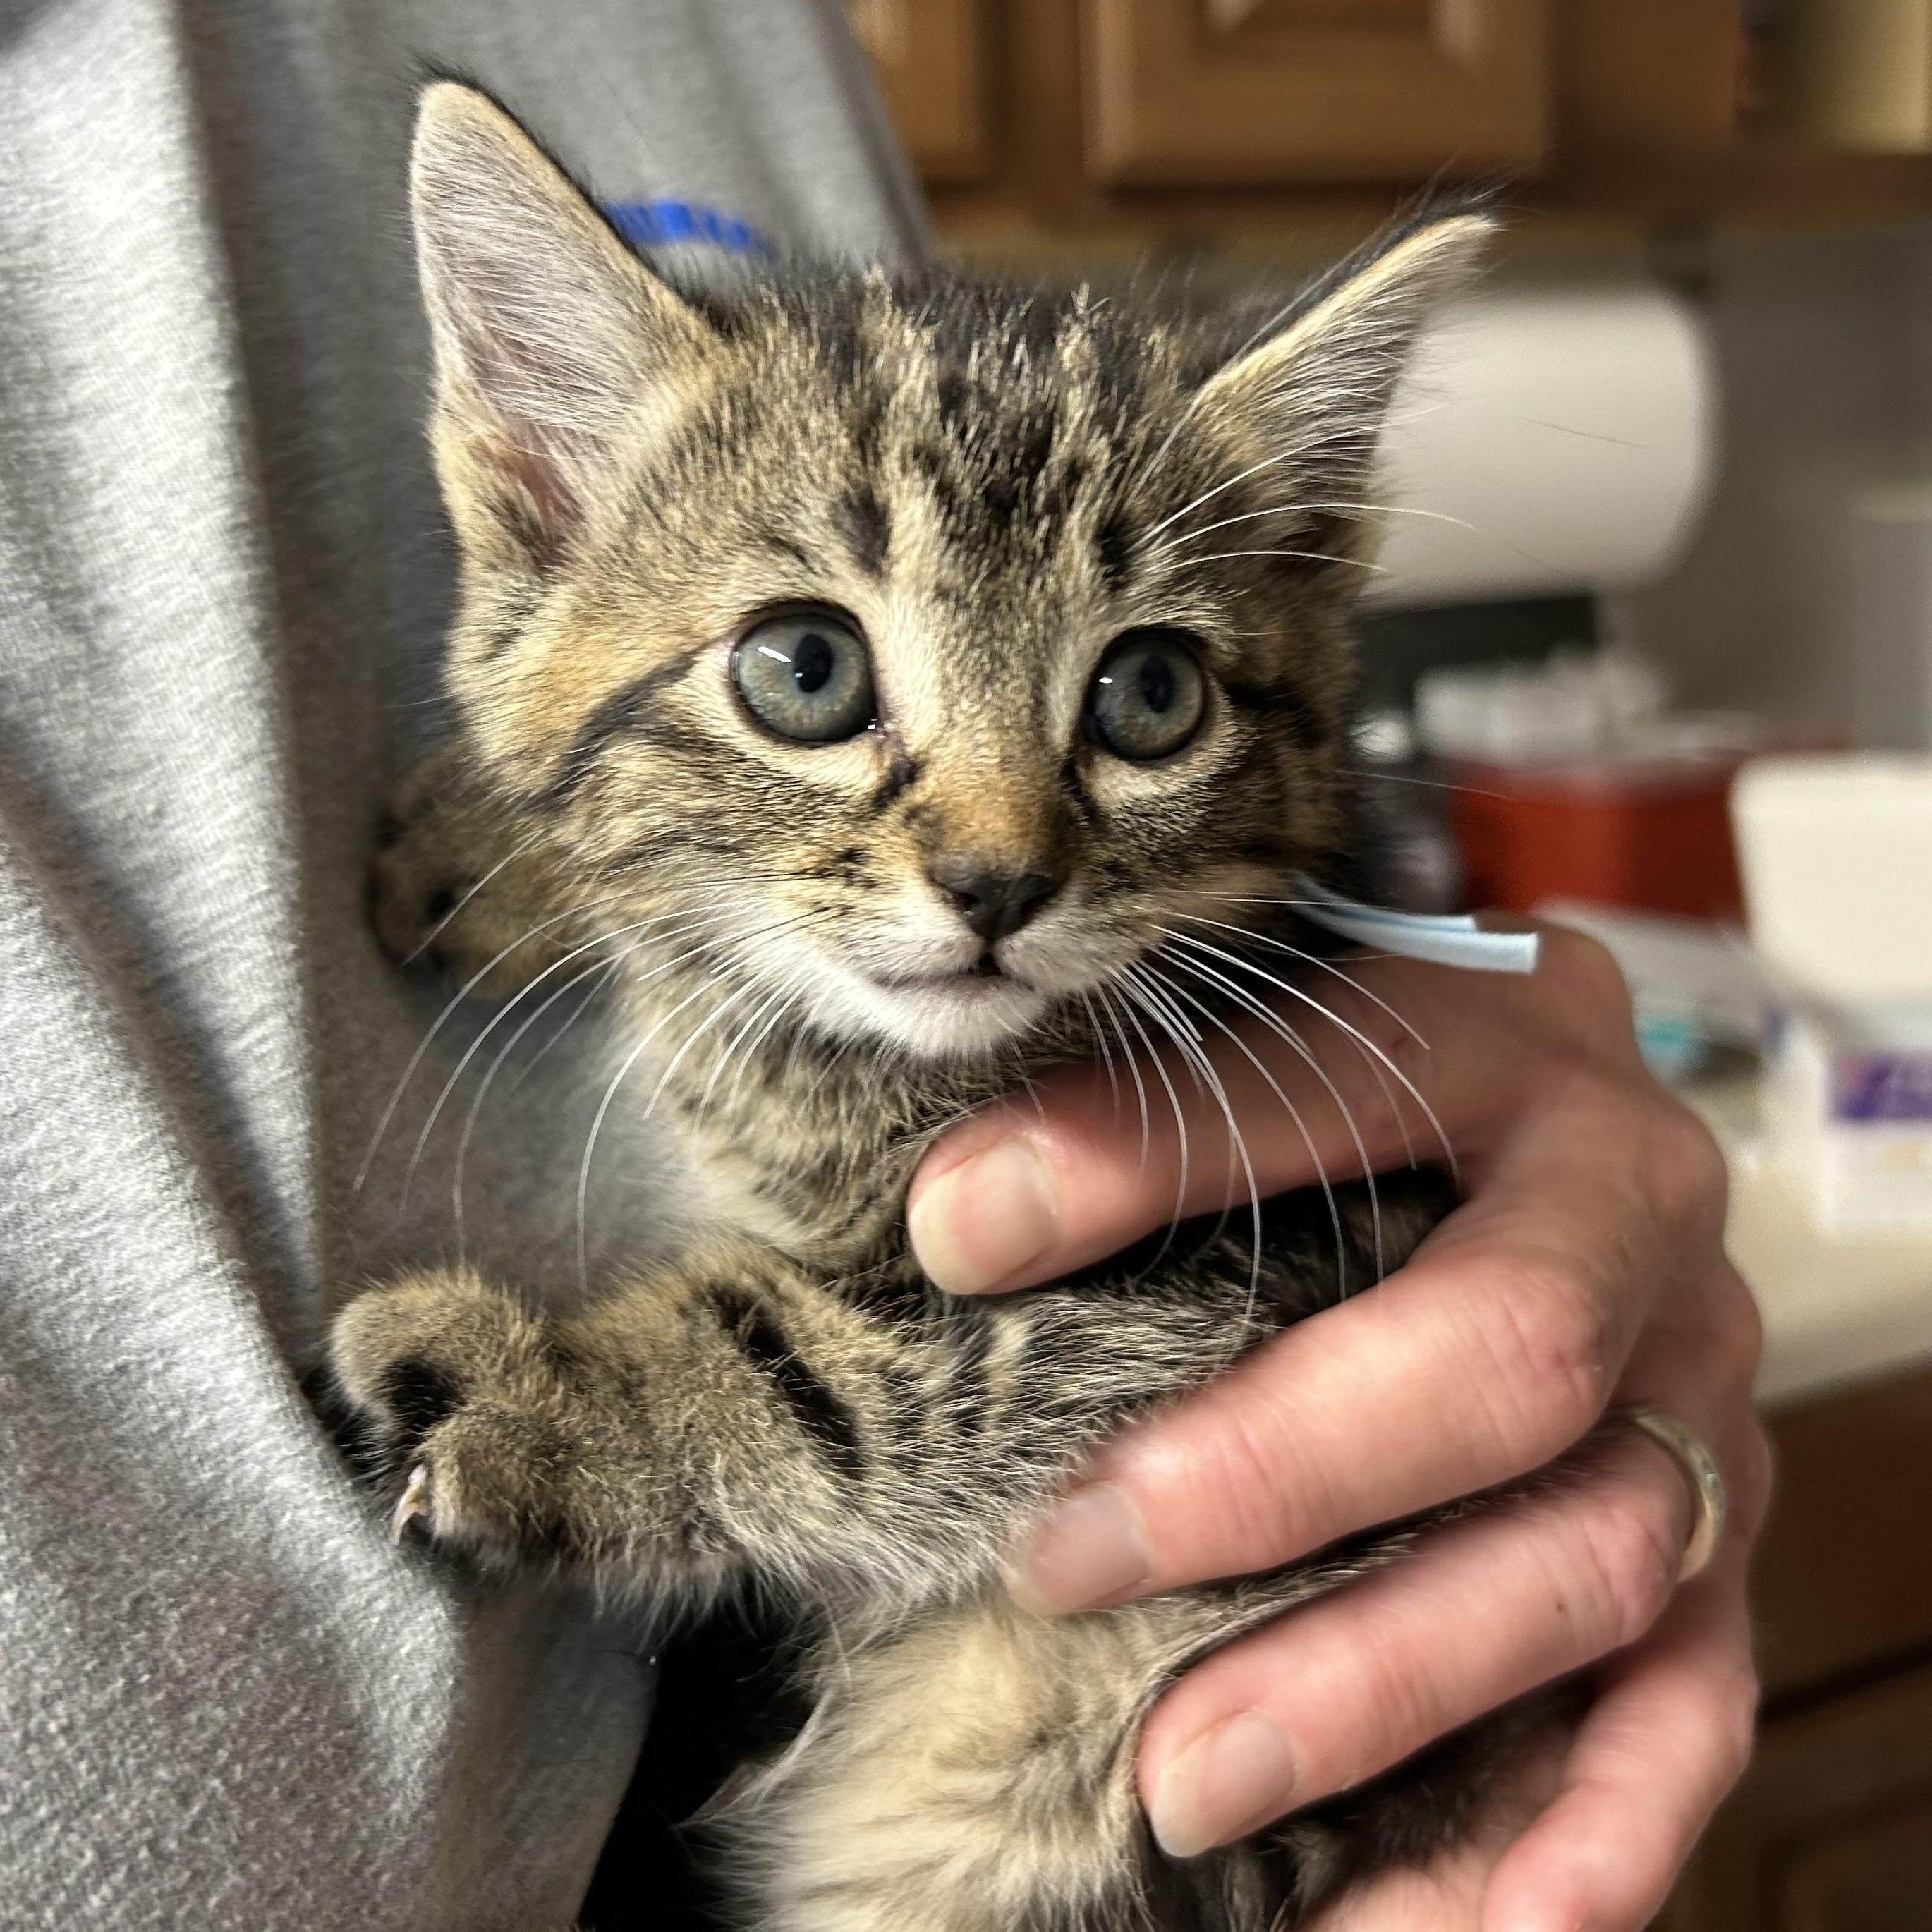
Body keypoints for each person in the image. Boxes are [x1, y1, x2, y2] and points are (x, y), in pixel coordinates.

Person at [0, 1, 1763, 1927]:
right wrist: (579, 862)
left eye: (1141, 691)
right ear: (536, 499)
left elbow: (1155, 1336)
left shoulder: (757, 29)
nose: (997, 847)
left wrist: (639, 1423)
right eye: (812, 671)